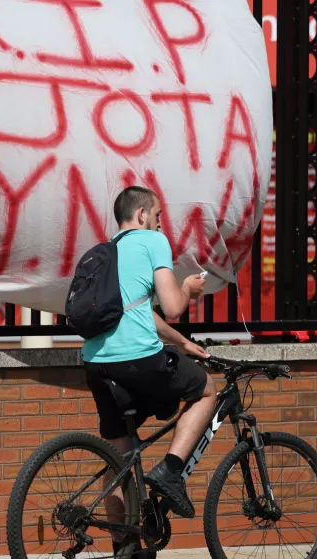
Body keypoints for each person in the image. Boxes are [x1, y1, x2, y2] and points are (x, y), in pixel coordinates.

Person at [82, 186, 216, 531]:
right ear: (142, 215)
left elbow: (137, 313)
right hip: (138, 361)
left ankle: (123, 547)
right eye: (158, 216)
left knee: (119, 460)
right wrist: (188, 289)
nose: (160, 224)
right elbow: (172, 308)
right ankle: (171, 473)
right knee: (205, 389)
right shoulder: (153, 242)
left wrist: (183, 344)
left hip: (96, 365)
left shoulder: (108, 252)